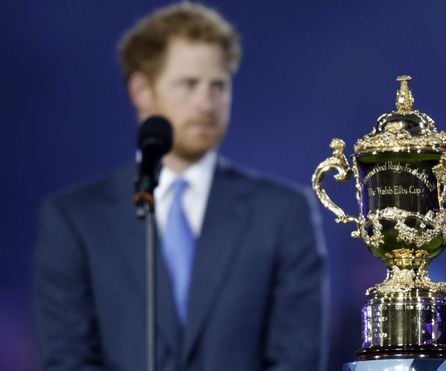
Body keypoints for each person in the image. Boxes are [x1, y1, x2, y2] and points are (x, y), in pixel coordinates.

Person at [34, 3, 327, 370]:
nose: (207, 103)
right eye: (189, 84)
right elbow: (67, 360)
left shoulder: (284, 212)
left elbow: (296, 359)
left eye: (218, 86)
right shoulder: (73, 219)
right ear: (142, 90)